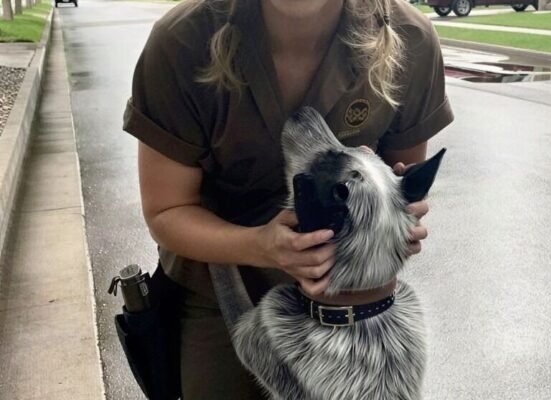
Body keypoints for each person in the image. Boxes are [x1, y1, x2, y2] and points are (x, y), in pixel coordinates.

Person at [122, 0, 453, 398]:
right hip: (217, 290)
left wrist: (400, 221)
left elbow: (403, 180)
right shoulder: (182, 41)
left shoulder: (409, 39)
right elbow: (167, 210)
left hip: (351, 305)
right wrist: (260, 246)